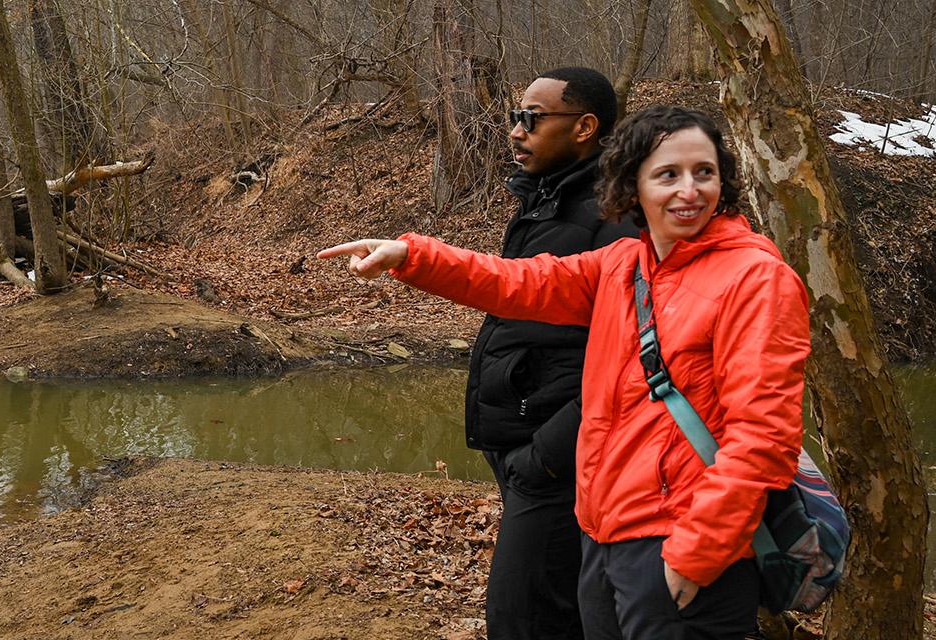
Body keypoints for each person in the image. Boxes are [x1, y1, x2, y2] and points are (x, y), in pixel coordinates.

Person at [319, 106, 809, 639]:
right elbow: (517, 281)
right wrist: (410, 255)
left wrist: (699, 552)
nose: (689, 190)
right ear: (632, 186)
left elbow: (763, 439)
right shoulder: (623, 264)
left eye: (704, 172)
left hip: (683, 544)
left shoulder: (755, 277)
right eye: (668, 174)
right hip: (602, 536)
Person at [458, 66, 638, 640]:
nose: (515, 130)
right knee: (563, 609)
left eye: (531, 118)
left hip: (560, 457)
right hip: (527, 446)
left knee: (523, 620)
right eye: (516, 117)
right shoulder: (552, 198)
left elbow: (630, 359)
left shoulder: (615, 218)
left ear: (585, 126)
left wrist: (547, 456)